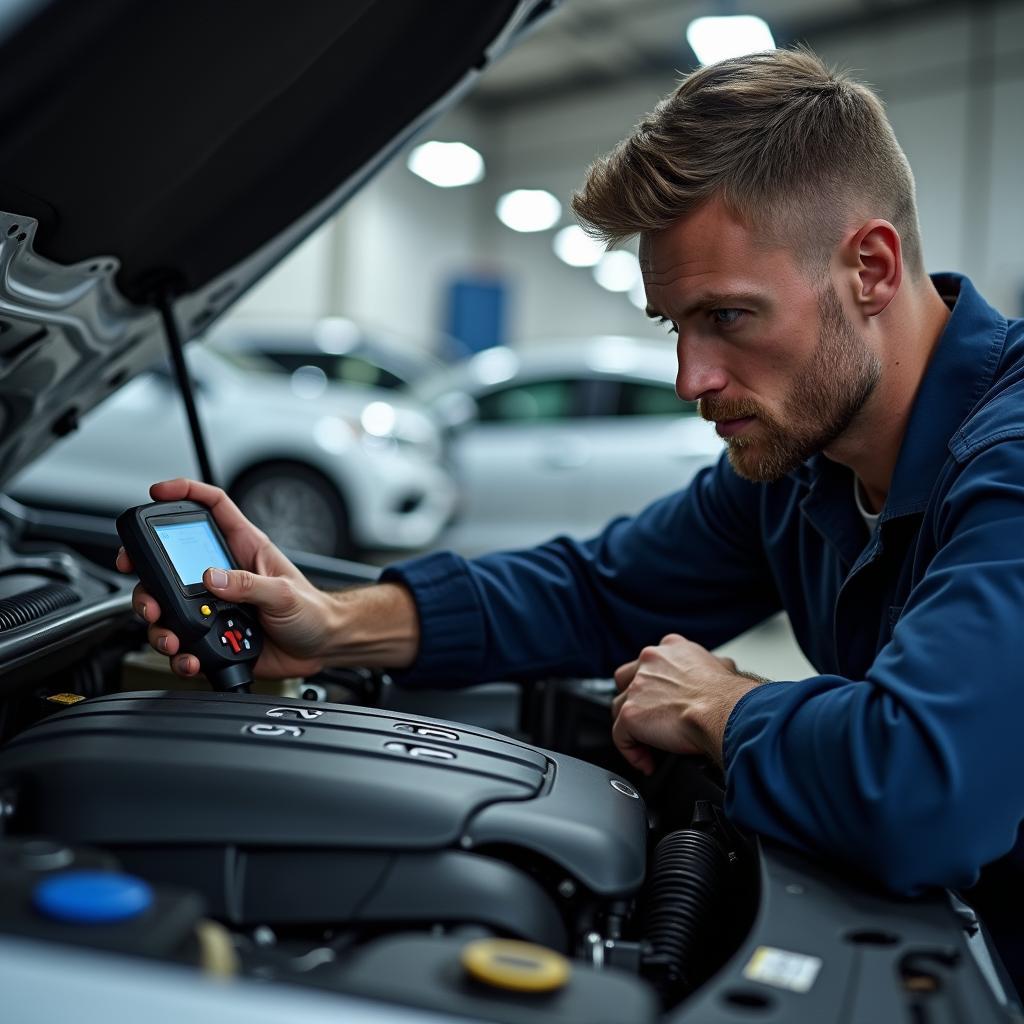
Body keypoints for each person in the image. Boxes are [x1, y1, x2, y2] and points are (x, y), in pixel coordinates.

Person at [118, 47, 1024, 979]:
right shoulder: (801, 468)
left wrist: (727, 706)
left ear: (870, 269)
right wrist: (334, 627)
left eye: (730, 318)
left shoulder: (1011, 457)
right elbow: (596, 590)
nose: (690, 379)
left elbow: (921, 792)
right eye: (677, 326)